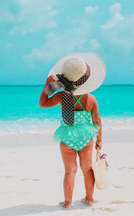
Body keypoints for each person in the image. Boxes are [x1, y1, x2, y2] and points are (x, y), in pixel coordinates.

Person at [39, 53, 105, 209]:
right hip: (85, 137)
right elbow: (97, 120)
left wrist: (46, 85)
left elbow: (43, 103)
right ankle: (89, 198)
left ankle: (67, 201)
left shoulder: (61, 96)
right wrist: (100, 140)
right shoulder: (90, 99)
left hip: (67, 136)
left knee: (70, 171)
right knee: (87, 169)